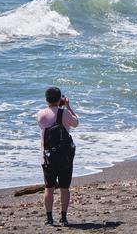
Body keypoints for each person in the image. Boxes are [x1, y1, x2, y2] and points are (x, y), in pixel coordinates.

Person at [37, 86, 79, 226]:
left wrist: (57, 105)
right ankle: (64, 218)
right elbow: (76, 123)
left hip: (47, 157)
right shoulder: (65, 113)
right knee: (64, 188)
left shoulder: (41, 114)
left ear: (46, 99)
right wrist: (67, 106)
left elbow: (46, 121)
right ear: (60, 98)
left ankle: (49, 219)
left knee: (49, 188)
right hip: (65, 157)